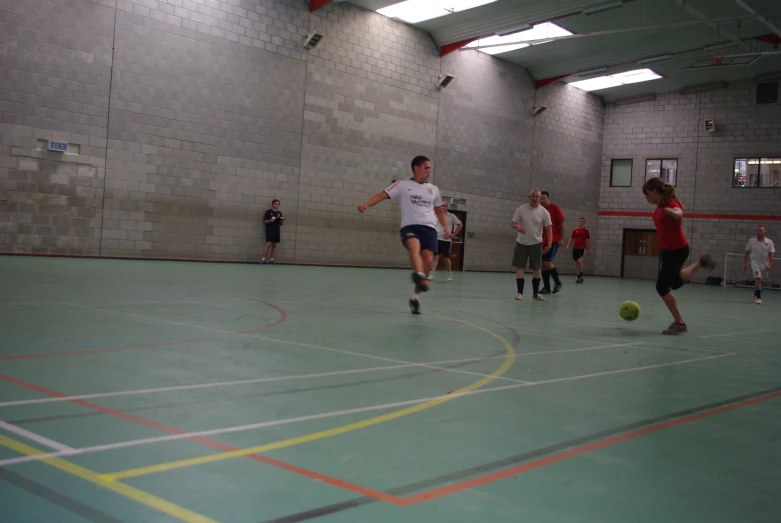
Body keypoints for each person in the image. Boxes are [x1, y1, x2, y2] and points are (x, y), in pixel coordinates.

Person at [358, 156, 452, 314]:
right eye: (426, 167)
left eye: (430, 168)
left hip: (429, 228)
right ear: (416, 168)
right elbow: (382, 195)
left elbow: (439, 210)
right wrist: (366, 204)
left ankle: (415, 297)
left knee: (428, 259)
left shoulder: (434, 189)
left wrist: (446, 227)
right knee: (414, 245)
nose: (429, 171)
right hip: (410, 226)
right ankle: (420, 275)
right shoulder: (402, 185)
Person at [642, 177, 715, 334]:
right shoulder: (659, 207)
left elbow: (678, 212)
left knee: (662, 286)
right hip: (668, 250)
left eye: (647, 195)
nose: (646, 198)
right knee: (674, 284)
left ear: (654, 191)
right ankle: (700, 263)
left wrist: (673, 213)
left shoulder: (671, 205)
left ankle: (679, 323)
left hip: (677, 249)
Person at [511, 189, 552, 301]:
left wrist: (549, 243)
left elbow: (549, 229)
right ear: (529, 197)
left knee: (537, 268)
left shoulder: (544, 212)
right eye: (533, 196)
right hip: (522, 242)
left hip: (536, 243)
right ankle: (519, 293)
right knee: (520, 268)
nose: (535, 198)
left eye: (537, 196)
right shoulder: (521, 209)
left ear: (540, 198)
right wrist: (517, 226)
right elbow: (513, 223)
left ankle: (536, 293)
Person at [429, 201, 462, 281]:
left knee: (446, 258)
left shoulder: (452, 216)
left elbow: (460, 225)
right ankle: (432, 274)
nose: (443, 207)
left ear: (447, 207)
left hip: (446, 241)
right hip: (436, 239)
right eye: (442, 206)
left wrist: (453, 234)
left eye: (445, 206)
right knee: (435, 257)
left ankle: (449, 275)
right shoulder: (436, 215)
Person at [539, 191, 565, 294]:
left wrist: (561, 238)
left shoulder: (555, 209)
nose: (542, 200)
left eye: (544, 198)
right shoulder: (539, 210)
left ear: (548, 199)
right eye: (541, 198)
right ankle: (547, 288)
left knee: (547, 262)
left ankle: (558, 282)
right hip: (542, 240)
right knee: (542, 264)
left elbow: (562, 224)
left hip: (553, 240)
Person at [743, 225, 775, 305]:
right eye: (758, 230)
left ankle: (756, 292)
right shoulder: (751, 241)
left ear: (764, 232)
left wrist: (769, 264)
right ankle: (758, 297)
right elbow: (747, 252)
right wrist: (745, 263)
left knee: (762, 281)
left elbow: (771, 254)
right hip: (755, 263)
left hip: (765, 264)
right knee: (758, 278)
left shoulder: (769, 242)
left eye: (761, 230)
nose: (759, 232)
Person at [564, 217, 591, 283]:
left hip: (582, 248)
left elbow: (589, 240)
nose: (581, 222)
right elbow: (571, 238)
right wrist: (567, 246)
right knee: (577, 263)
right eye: (580, 221)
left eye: (582, 221)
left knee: (580, 261)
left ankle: (581, 276)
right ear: (578, 222)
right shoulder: (575, 230)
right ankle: (578, 277)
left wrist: (589, 249)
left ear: (584, 223)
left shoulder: (586, 230)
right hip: (575, 248)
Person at [260, 199, 284, 264]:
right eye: (276, 203)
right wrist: (270, 220)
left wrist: (281, 221)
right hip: (270, 230)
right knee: (268, 244)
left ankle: (272, 259)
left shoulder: (279, 213)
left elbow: (281, 224)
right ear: (273, 204)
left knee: (274, 245)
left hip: (276, 230)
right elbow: (265, 221)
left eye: (278, 204)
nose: (277, 205)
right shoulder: (268, 212)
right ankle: (263, 259)